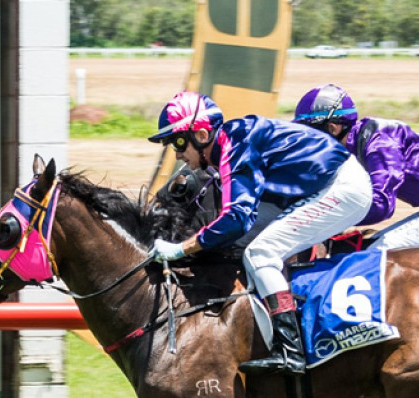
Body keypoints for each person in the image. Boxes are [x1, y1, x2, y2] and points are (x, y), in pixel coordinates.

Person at [146, 91, 372, 375]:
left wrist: (181, 249)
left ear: (202, 135)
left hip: (342, 188)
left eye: (178, 142)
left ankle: (291, 350)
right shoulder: (229, 143)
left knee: (260, 252)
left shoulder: (233, 146)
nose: (177, 153)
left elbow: (236, 219)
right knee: (244, 245)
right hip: (326, 184)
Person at [292, 83, 419, 253]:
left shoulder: (380, 142)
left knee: (374, 255)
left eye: (310, 132)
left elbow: (381, 205)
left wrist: (323, 224)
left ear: (333, 128)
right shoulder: (354, 145)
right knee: (362, 247)